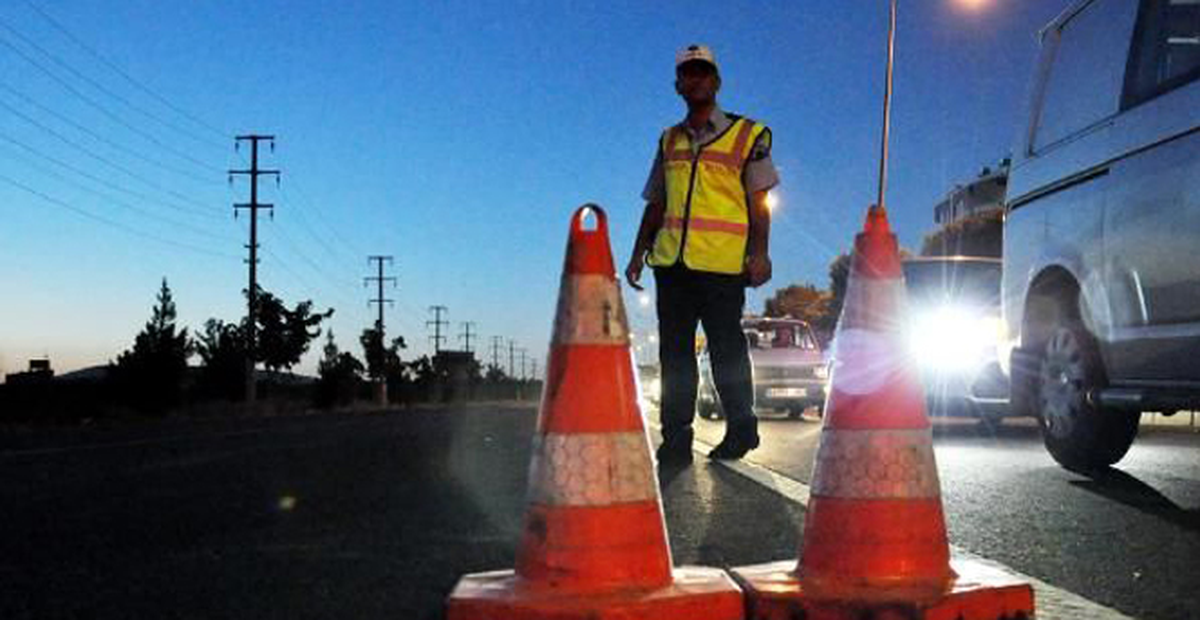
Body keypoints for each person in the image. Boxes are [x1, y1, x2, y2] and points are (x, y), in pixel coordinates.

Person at [625, 44, 778, 465]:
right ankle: (676, 440)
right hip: (672, 265)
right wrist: (638, 252)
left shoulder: (748, 135)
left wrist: (759, 254)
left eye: (703, 73)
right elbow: (656, 201)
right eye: (688, 74)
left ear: (717, 82)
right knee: (675, 356)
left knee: (727, 350)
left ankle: (741, 429)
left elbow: (758, 201)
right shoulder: (668, 140)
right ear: (678, 85)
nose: (695, 80)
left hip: (722, 267)